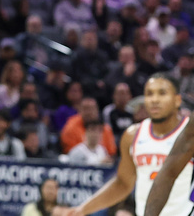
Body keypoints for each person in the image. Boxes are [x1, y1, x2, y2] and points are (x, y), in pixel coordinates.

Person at [67, 74, 190, 216]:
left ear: (177, 100)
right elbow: (123, 184)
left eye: (162, 93)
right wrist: (82, 209)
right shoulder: (133, 135)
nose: (155, 100)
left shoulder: (189, 134)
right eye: (149, 94)